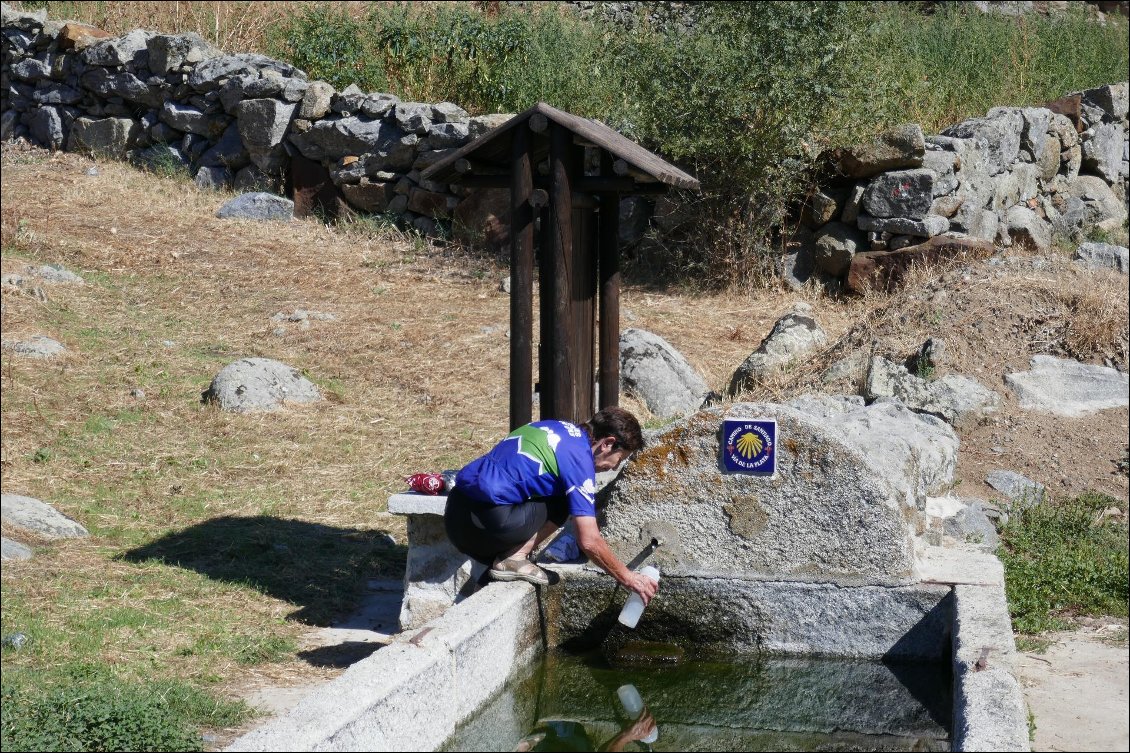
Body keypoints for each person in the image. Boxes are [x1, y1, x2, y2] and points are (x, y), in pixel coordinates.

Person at [444, 406, 658, 606]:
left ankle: (483, 594)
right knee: (565, 500)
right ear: (607, 443)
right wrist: (629, 578)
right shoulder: (580, 460)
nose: (614, 467)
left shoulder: (555, 427)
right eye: (619, 458)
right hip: (488, 524)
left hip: (455, 515)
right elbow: (589, 541)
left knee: (542, 494)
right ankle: (515, 558)